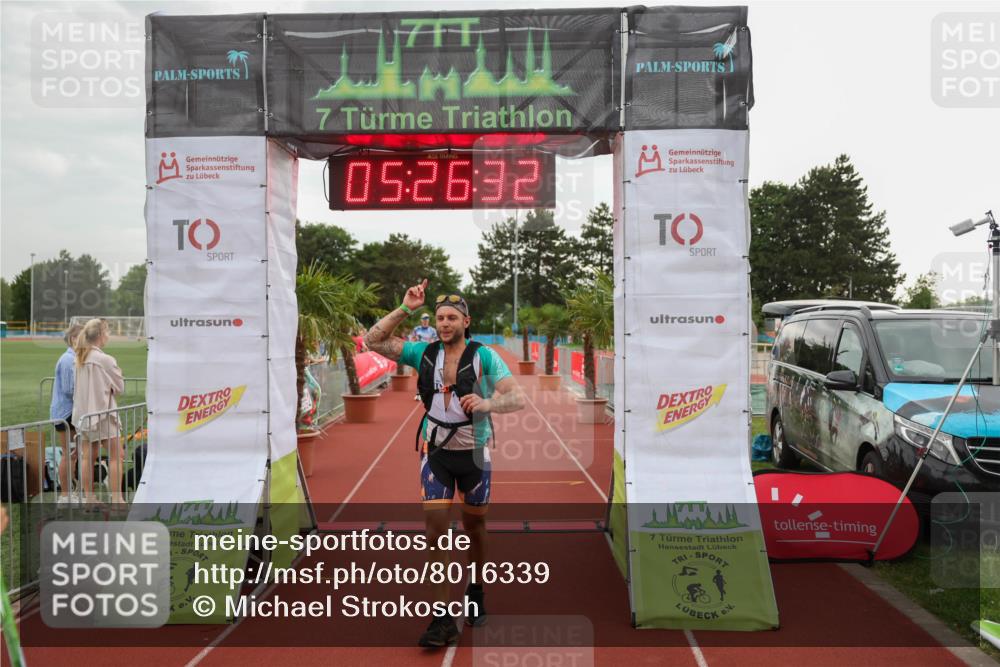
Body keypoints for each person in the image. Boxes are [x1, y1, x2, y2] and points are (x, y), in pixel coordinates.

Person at [364, 279, 525, 648]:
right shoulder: (421, 352)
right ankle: (441, 616)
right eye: (439, 318)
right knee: (435, 528)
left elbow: (516, 398)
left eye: (452, 317)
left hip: (474, 455)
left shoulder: (484, 356)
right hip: (435, 451)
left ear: (466, 321)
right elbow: (373, 340)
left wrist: (487, 405)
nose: (445, 323)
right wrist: (406, 307)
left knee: (474, 529)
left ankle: (476, 587)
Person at [72, 319, 125, 503]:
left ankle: (89, 497)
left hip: (84, 415)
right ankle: (117, 499)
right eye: (107, 332)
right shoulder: (105, 359)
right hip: (103, 414)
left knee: (87, 457)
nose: (108, 336)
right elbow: (119, 387)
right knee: (117, 456)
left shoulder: (80, 357)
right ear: (101, 335)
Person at [51, 323, 83, 501]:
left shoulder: (74, 358)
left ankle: (72, 491)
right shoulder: (67, 360)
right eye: (81, 337)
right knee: (69, 454)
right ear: (73, 339)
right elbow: (69, 389)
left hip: (71, 411)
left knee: (74, 454)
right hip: (65, 413)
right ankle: (65, 494)